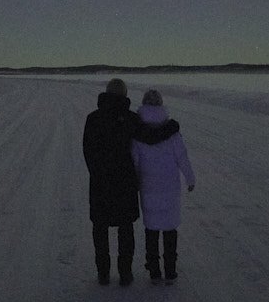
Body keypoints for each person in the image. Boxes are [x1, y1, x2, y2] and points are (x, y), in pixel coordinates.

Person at [83, 78, 178, 286]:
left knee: (100, 229)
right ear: (125, 95)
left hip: (100, 184)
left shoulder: (93, 119)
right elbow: (151, 137)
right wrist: (171, 127)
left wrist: (97, 174)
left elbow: (88, 152)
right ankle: (125, 273)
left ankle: (103, 273)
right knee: (125, 229)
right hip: (124, 185)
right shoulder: (130, 118)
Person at [132, 88, 196, 284]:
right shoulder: (173, 133)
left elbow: (134, 161)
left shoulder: (137, 133)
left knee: (151, 229)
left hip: (148, 188)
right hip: (170, 189)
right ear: (161, 105)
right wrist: (190, 178)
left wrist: (133, 183)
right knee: (169, 229)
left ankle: (154, 271)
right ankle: (170, 271)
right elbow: (182, 157)